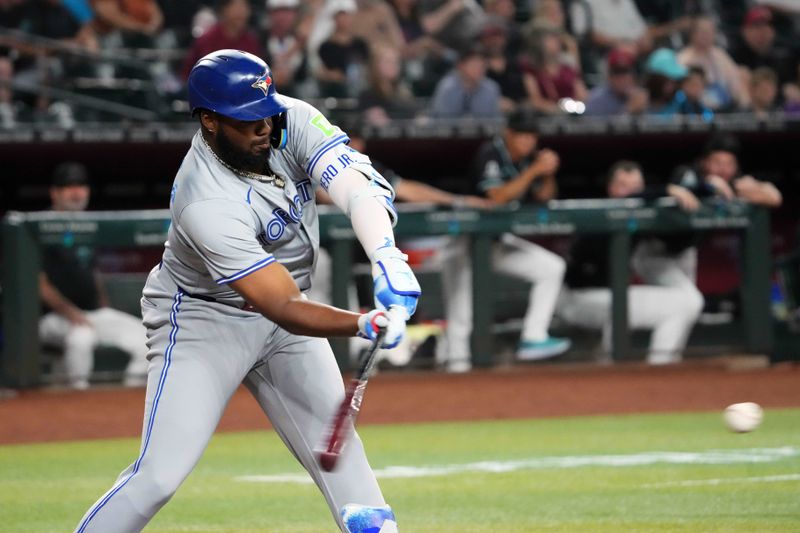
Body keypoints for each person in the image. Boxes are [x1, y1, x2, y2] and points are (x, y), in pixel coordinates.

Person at [72, 49, 419, 533]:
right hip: (202, 320)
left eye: (265, 113)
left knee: (344, 466)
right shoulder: (204, 199)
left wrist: (387, 257)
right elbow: (282, 305)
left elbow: (359, 188)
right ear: (209, 121)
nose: (263, 126)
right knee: (158, 478)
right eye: (246, 120)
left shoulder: (290, 118)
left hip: (285, 317)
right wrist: (362, 323)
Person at [438, 111, 571, 372]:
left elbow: (545, 197)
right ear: (508, 133)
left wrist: (547, 174)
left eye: (532, 136)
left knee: (551, 267)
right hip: (465, 241)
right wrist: (534, 170)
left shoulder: (528, 160)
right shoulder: (490, 153)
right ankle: (457, 373)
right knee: (461, 315)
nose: (528, 141)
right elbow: (497, 196)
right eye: (522, 135)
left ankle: (534, 337)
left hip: (496, 243)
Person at [559, 161, 704, 365]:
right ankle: (612, 367)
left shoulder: (640, 216)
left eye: (637, 187)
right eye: (623, 185)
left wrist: (706, 191)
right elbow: (631, 201)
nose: (631, 192)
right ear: (611, 189)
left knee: (688, 302)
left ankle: (659, 364)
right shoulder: (599, 213)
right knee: (624, 303)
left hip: (607, 297)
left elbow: (680, 241)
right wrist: (667, 190)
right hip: (577, 298)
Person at [39, 163, 149, 390]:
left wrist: (103, 306)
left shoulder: (87, 225)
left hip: (91, 314)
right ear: (54, 193)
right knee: (81, 338)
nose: (76, 191)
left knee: (148, 340)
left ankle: (125, 401)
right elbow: (38, 284)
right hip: (52, 318)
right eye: (68, 186)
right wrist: (70, 313)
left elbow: (91, 272)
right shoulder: (42, 226)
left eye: (81, 186)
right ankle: (77, 401)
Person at [677, 16, 750, 110]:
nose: (706, 36)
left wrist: (743, 104)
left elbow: (735, 83)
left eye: (710, 32)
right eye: (703, 32)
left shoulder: (720, 55)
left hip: (724, 107)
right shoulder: (683, 58)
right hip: (695, 108)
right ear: (693, 34)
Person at [181, 0, 263, 79]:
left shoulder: (251, 41)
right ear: (224, 9)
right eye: (237, 7)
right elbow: (188, 74)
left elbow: (258, 73)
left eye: (245, 6)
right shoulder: (207, 40)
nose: (242, 12)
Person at [429, 44, 501, 119]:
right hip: (450, 129)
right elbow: (442, 121)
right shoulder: (447, 87)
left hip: (482, 130)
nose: (479, 68)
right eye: (474, 64)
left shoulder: (491, 88)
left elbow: (493, 122)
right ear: (461, 65)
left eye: (483, 64)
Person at [584, 47, 649, 116]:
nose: (621, 78)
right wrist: (628, 110)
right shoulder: (596, 100)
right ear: (609, 76)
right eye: (617, 72)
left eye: (625, 71)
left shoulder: (640, 95)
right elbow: (593, 125)